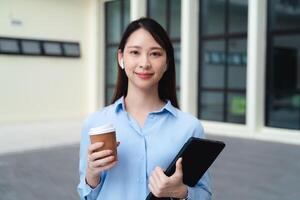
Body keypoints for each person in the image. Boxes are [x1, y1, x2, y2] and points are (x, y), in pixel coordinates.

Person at [77, 17, 211, 200]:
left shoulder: (189, 127)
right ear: (121, 58)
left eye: (155, 54)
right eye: (135, 52)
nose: (145, 63)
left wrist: (181, 192)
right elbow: (86, 196)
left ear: (167, 63)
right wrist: (91, 175)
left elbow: (204, 194)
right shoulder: (95, 123)